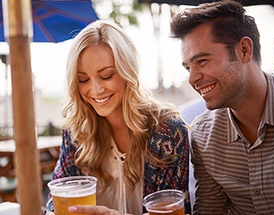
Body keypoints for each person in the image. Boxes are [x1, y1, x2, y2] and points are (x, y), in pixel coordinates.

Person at [44, 20, 191, 215]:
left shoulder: (167, 131)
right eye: (83, 79)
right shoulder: (76, 131)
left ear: (128, 73)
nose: (95, 90)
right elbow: (55, 195)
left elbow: (175, 210)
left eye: (106, 76)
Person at [170, 0, 274, 214]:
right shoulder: (203, 135)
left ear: (244, 50)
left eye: (202, 61)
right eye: (188, 67)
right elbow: (210, 210)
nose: (193, 79)